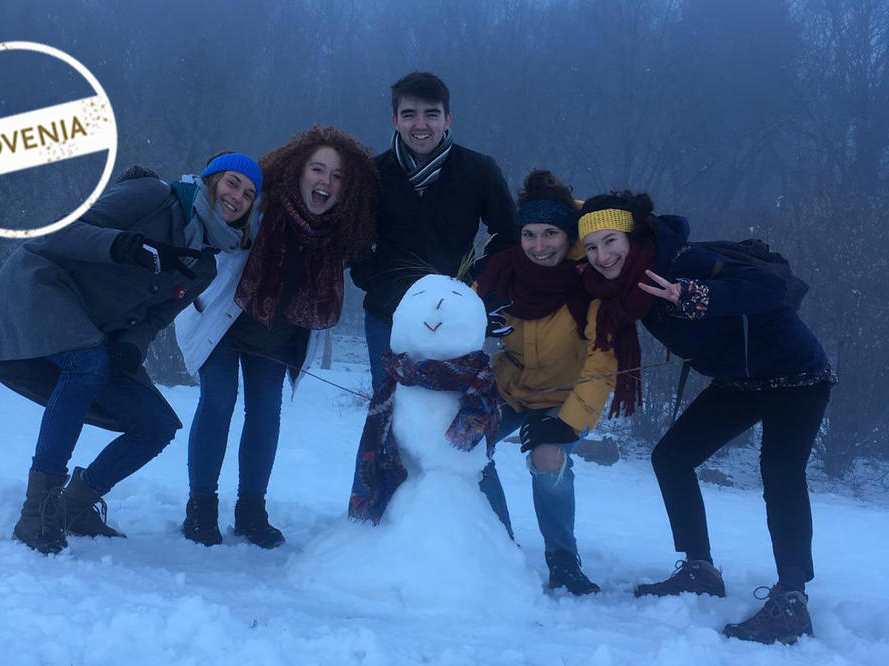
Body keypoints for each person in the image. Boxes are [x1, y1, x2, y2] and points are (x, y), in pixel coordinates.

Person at [0, 154, 264, 555]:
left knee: (155, 425)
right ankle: (38, 514)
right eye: (232, 182)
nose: (237, 196)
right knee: (85, 364)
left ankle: (73, 506)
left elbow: (154, 320)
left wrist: (129, 346)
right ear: (210, 181)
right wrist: (125, 246)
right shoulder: (154, 195)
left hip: (96, 330)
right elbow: (59, 233)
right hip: (44, 285)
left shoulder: (204, 264)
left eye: (248, 193)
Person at [576, 191, 835, 644]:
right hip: (739, 382)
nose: (601, 255)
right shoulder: (621, 284)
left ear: (632, 235)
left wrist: (695, 295)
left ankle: (792, 598)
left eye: (610, 240)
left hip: (797, 374)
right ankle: (700, 568)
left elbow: (769, 288)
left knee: (780, 472)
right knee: (672, 458)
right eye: (592, 246)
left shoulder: (682, 259)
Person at [176, 127, 378, 549]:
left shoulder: (340, 235)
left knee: (266, 416)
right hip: (223, 322)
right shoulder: (261, 204)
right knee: (219, 402)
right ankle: (201, 507)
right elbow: (208, 204)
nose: (325, 181)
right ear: (297, 169)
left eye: (337, 176)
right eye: (317, 169)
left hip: (277, 337)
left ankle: (252, 511)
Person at [349, 71, 519, 532]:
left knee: (464, 424)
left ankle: (492, 540)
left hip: (456, 322)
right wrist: (381, 285)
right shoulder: (375, 173)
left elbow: (508, 240)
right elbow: (356, 244)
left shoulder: (477, 170)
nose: (420, 124)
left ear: (448, 118)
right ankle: (381, 531)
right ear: (395, 119)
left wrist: (475, 295)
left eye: (430, 114)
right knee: (392, 423)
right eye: (409, 115)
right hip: (389, 316)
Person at [474, 170, 617, 594]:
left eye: (550, 234)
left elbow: (602, 361)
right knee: (465, 446)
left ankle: (563, 559)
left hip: (568, 394)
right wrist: (476, 322)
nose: (539, 246)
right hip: (514, 388)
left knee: (548, 457)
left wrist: (567, 421)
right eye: (530, 234)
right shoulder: (502, 270)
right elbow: (452, 313)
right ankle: (498, 546)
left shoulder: (590, 282)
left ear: (567, 234)